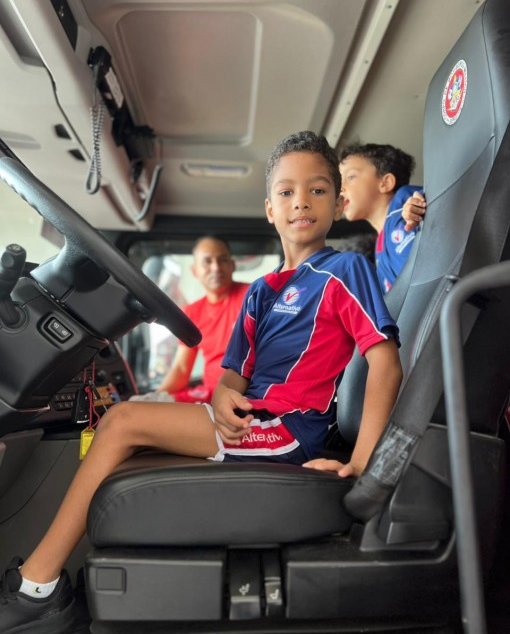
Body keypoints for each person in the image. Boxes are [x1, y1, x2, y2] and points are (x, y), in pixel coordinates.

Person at [0, 131, 403, 633]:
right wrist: (223, 399)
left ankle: (36, 589)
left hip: (288, 431)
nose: (301, 201)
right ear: (270, 210)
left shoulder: (345, 269)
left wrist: (363, 465)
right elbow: (233, 375)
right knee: (122, 432)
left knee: (122, 421)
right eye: (286, 192)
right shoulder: (261, 292)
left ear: (339, 204)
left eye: (318, 190)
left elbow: (385, 362)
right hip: (252, 422)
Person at [156, 236, 249, 403]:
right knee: (140, 407)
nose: (216, 267)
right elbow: (182, 369)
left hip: (246, 394)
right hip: (209, 397)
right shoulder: (192, 312)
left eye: (222, 260)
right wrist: (153, 398)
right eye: (207, 261)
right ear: (194, 271)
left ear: (232, 265)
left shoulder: (253, 297)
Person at [338, 142, 424, 293]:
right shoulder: (379, 251)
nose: (340, 188)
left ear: (386, 183)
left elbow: (429, 199)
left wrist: (417, 206)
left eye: (350, 177)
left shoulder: (403, 201)